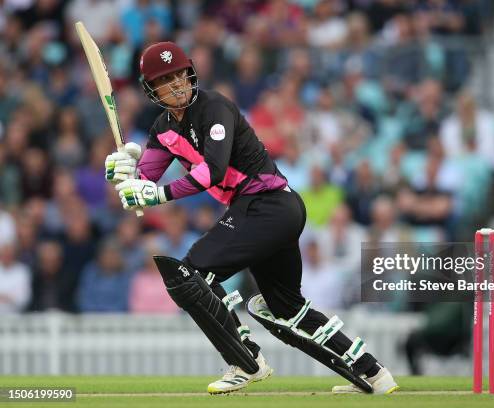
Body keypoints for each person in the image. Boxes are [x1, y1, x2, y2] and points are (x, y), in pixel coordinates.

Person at [104, 42, 398, 395]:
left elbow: (212, 172)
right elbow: (144, 184)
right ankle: (374, 373)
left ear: (191, 73)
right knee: (285, 308)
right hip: (264, 212)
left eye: (180, 74)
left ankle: (246, 361)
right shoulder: (162, 129)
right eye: (166, 79)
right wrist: (122, 173)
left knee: (191, 274)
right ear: (152, 88)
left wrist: (159, 194)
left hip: (267, 204)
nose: (178, 84)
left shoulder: (215, 107)